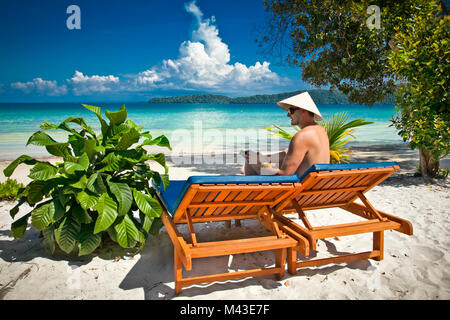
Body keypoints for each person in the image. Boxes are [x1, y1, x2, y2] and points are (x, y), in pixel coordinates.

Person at [242, 91, 330, 177]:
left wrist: (261, 164)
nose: (287, 115)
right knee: (254, 158)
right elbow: (292, 155)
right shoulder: (321, 131)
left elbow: (284, 175)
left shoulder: (302, 136)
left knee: (250, 162)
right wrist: (264, 158)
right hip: (313, 186)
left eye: (291, 110)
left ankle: (250, 191)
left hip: (295, 189)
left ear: (303, 111)